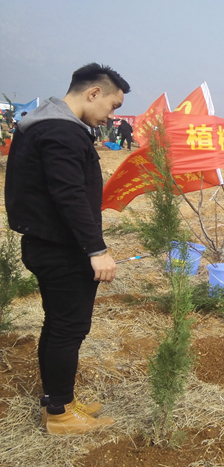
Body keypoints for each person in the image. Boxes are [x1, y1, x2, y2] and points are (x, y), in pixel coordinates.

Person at [5, 63, 129, 434]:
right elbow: (69, 194)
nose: (111, 116)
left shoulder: (42, 125)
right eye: (112, 105)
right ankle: (59, 413)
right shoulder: (62, 132)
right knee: (68, 329)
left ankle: (59, 400)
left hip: (48, 242)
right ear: (94, 93)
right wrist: (96, 250)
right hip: (62, 249)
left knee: (58, 324)